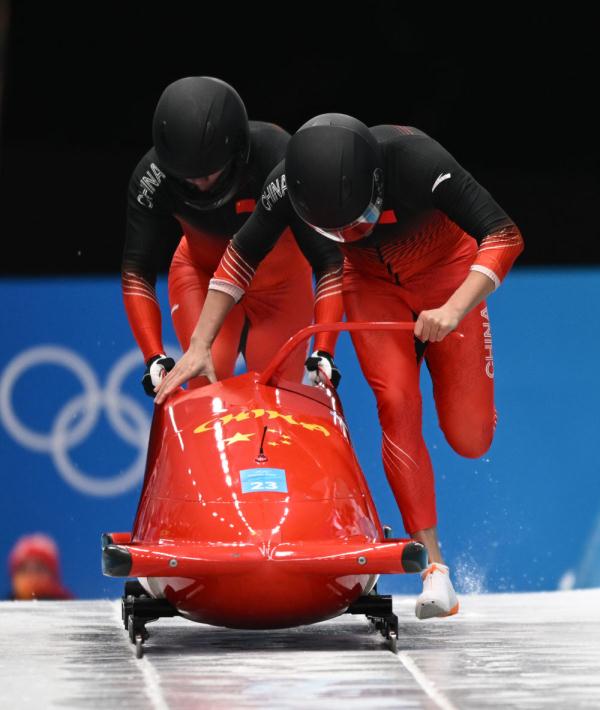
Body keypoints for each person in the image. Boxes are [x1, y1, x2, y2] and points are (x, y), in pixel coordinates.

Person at [155, 113, 523, 619]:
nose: (353, 230)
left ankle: (463, 376)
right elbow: (240, 256)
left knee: (470, 437)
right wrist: (200, 344)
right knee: (395, 401)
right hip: (370, 286)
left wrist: (455, 309)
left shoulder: (418, 161)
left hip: (449, 277)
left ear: (377, 183)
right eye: (336, 229)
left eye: (359, 219)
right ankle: (435, 570)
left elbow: (504, 235)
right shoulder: (287, 182)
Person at [122, 77, 343, 396]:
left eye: (208, 173)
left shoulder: (278, 156)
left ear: (237, 153)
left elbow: (329, 261)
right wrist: (154, 356)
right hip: (202, 276)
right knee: (204, 383)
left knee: (276, 396)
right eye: (186, 176)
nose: (198, 184)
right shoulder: (151, 177)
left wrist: (324, 350)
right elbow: (136, 271)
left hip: (282, 289)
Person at [8, 534, 73, 600]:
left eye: (39, 569)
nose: (31, 576)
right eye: (23, 569)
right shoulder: (4, 608)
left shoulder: (72, 609)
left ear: (53, 576)